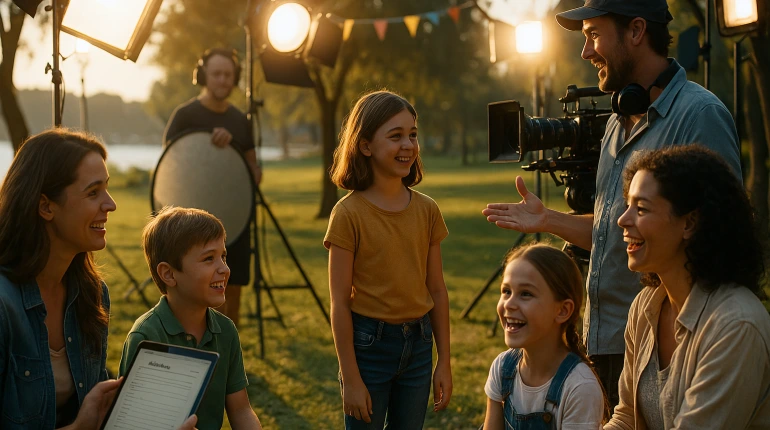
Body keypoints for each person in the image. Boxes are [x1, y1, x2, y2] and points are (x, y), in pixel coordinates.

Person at [482, 0, 741, 406]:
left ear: (636, 31)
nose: (585, 52)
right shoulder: (616, 126)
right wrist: (549, 219)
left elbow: (722, 238)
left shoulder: (700, 115)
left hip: (667, 347)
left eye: (593, 35)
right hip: (604, 339)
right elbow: (614, 231)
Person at [607, 145, 770, 429]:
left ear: (690, 223)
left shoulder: (736, 325)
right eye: (627, 205)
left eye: (642, 209)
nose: (623, 219)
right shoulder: (646, 306)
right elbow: (626, 417)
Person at [324, 90, 452, 429]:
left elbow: (437, 291)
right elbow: (338, 302)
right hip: (368, 347)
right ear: (365, 145)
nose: (408, 144)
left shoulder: (427, 210)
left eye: (412, 134)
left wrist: (445, 362)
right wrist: (350, 378)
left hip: (420, 348)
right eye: (395, 136)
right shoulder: (348, 213)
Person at [0, 129, 122, 429]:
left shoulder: (91, 293)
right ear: (46, 206)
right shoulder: (4, 306)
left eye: (106, 189)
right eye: (93, 192)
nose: (110, 204)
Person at [119, 206, 262, 430]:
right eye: (208, 259)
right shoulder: (146, 336)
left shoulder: (226, 331)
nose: (223, 268)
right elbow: (132, 422)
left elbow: (241, 409)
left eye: (223, 256)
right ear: (169, 274)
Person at [163, 47, 262, 328]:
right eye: (217, 74)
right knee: (187, 295)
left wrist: (231, 152)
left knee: (231, 292)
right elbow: (168, 171)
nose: (222, 80)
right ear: (203, 76)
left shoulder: (241, 122)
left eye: (228, 75)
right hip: (189, 228)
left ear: (236, 78)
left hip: (235, 221)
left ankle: (227, 360)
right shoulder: (184, 116)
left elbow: (255, 174)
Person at [483, 244, 608, 430]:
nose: (509, 304)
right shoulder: (503, 368)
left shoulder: (579, 387)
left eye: (526, 294)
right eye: (506, 291)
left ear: (563, 310)